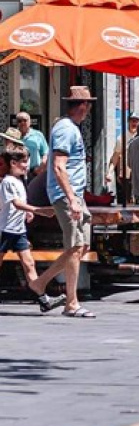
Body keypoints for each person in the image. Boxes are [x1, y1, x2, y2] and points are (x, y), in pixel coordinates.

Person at [27, 86, 97, 318]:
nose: (88, 108)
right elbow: (58, 166)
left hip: (76, 196)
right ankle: (71, 302)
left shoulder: (70, 128)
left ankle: (40, 284)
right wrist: (71, 199)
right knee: (75, 247)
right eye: (88, 104)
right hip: (69, 196)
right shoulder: (66, 130)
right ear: (82, 106)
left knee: (81, 246)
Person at [0, 131, 65, 312]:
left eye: (26, 161)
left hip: (18, 230)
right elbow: (16, 203)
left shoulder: (20, 182)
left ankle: (43, 300)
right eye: (22, 162)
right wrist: (37, 210)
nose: (26, 165)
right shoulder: (8, 182)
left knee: (29, 263)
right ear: (13, 163)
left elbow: (21, 205)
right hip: (5, 229)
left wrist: (27, 213)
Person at [107, 112, 139, 199]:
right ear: (128, 122)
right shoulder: (121, 138)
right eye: (132, 121)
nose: (134, 123)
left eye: (136, 121)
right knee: (125, 203)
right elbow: (115, 157)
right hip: (125, 176)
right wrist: (110, 172)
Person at [16, 112, 49, 176]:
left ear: (30, 122)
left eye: (25, 120)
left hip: (34, 171)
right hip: (18, 172)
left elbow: (46, 153)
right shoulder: (13, 135)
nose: (22, 123)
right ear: (17, 123)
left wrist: (41, 167)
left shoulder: (38, 135)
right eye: (19, 121)